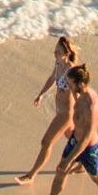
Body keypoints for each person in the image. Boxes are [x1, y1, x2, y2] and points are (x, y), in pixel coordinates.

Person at [30, 64, 98, 195]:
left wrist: (69, 160)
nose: (67, 86)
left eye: (70, 83)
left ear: (80, 84)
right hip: (75, 140)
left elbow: (86, 138)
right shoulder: (78, 94)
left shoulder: (92, 106)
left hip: (89, 148)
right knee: (60, 171)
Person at [16, 37, 82, 185]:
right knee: (75, 139)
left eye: (58, 51)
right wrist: (41, 94)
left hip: (66, 115)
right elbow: (52, 79)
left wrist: (81, 114)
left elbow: (77, 94)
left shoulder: (71, 70)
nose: (54, 53)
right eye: (54, 50)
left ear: (66, 53)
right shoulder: (58, 64)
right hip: (59, 110)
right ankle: (83, 163)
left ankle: (31, 175)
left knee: (46, 142)